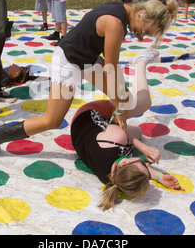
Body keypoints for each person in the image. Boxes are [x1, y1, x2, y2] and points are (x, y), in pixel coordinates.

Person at [0, 0, 179, 154]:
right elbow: (111, 69)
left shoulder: (125, 8)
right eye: (144, 31)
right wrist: (119, 106)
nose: (141, 36)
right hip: (68, 60)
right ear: (142, 13)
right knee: (52, 120)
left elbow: (110, 69)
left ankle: (112, 133)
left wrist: (120, 103)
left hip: (87, 58)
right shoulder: (116, 23)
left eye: (146, 35)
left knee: (125, 100)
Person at [71, 54, 184, 211]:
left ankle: (138, 63)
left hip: (88, 115)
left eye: (138, 161)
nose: (142, 160)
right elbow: (136, 172)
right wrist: (159, 176)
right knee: (138, 131)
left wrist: (143, 148)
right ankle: (137, 63)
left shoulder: (117, 139)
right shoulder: (114, 179)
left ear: (124, 163)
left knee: (140, 101)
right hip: (88, 136)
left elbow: (117, 123)